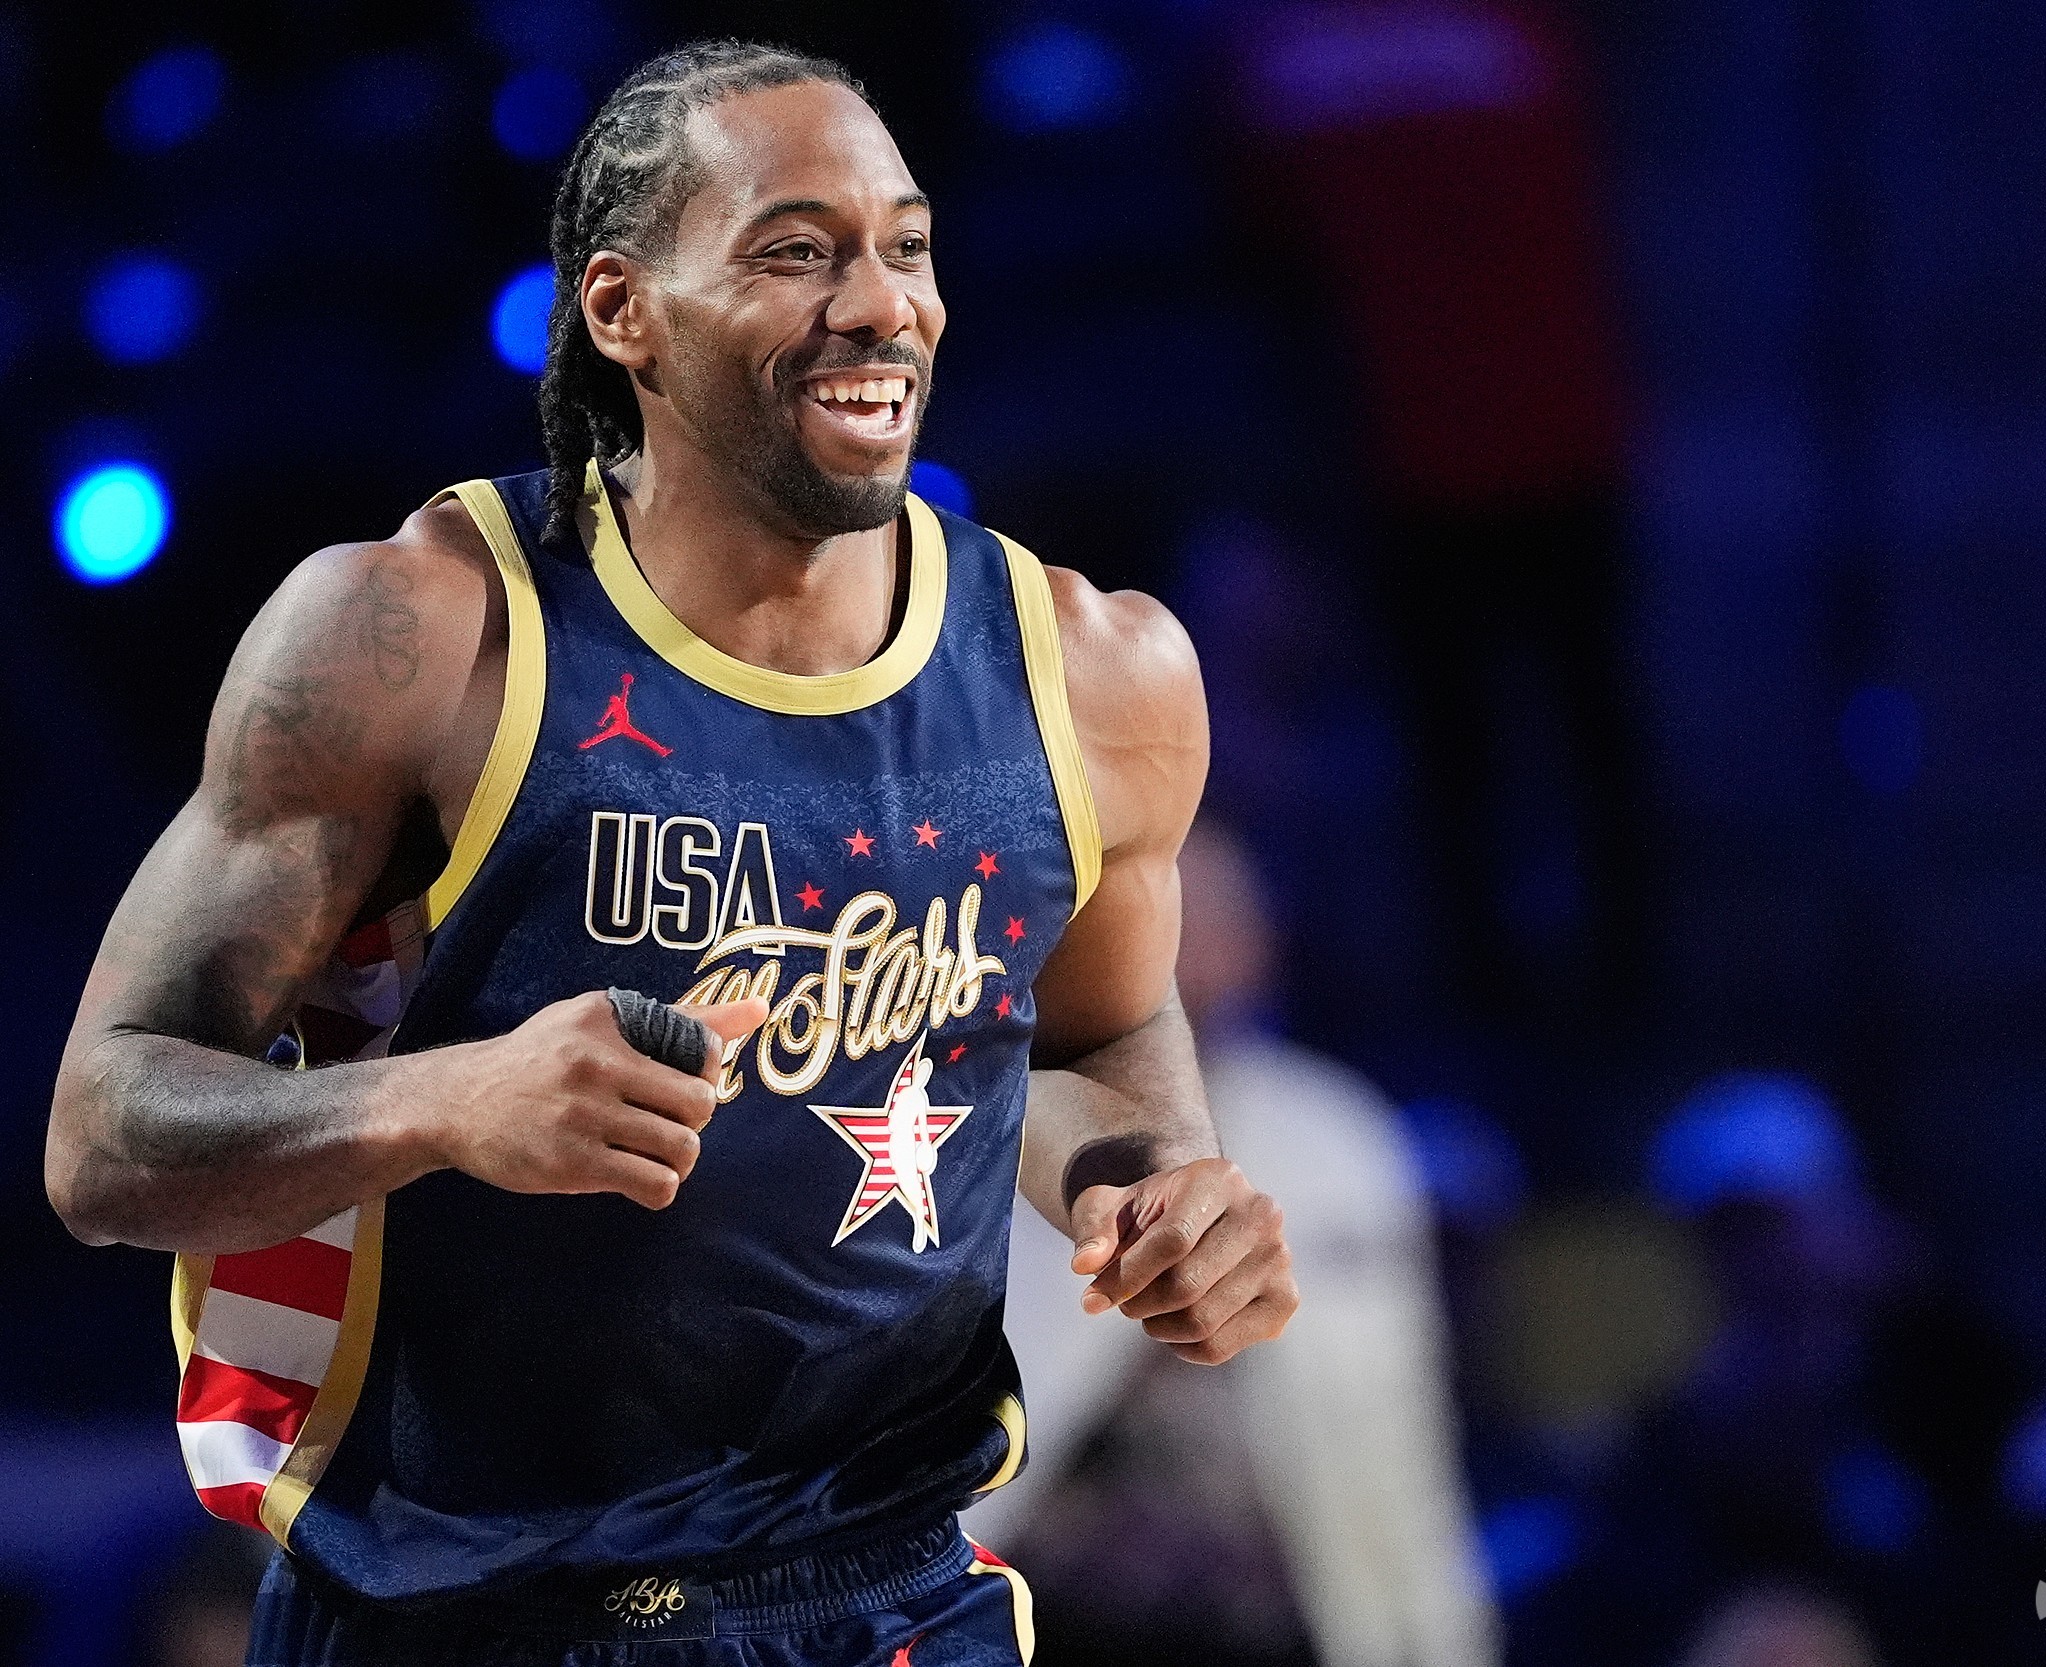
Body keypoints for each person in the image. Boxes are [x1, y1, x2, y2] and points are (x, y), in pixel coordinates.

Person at [44, 40, 1295, 1667]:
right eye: (797, 251)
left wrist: (1157, 1192)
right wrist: (446, 1101)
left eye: (907, 246)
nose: (881, 303)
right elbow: (102, 1135)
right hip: (456, 1614)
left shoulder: (1098, 670)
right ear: (623, 308)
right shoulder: (418, 636)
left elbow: (1090, 1035)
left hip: (891, 1597)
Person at [965, 822, 1496, 1667]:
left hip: (1286, 1612)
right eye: (1158, 915)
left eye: (1215, 920)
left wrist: (1439, 1635)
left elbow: (1399, 1428)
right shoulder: (982, 1131)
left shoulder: (1336, 1139)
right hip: (1042, 1609)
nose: (1193, 954)